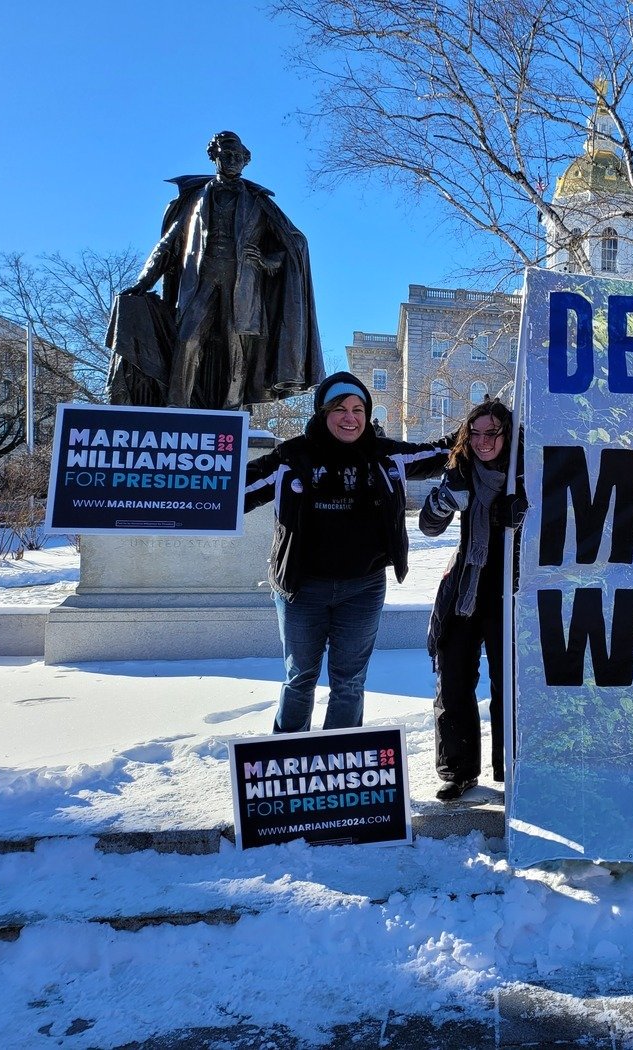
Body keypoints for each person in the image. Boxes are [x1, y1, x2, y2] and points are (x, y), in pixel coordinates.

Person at [244, 371, 449, 734]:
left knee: (349, 681)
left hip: (363, 589)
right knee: (300, 678)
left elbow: (445, 452)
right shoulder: (291, 457)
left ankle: (339, 769)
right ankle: (288, 762)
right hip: (301, 589)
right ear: (322, 413)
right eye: (339, 408)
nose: (350, 417)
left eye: (358, 408)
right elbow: (225, 491)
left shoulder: (386, 456)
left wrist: (495, 426)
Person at [108, 130, 323, 410]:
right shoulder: (194, 200)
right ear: (214, 156)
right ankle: (176, 408)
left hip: (243, 287)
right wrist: (144, 281)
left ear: (245, 161)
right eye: (226, 155)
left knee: (237, 349)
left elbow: (295, 243)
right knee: (187, 339)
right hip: (201, 280)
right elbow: (169, 244)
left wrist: (267, 261)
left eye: (238, 157)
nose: (232, 160)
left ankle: (232, 413)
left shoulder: (259, 202)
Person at [419, 398, 528, 801]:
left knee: (509, 683)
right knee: (453, 678)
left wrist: (525, 513)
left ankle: (512, 767)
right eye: (476, 433)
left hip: (510, 589)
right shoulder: (460, 469)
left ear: (507, 434)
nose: (483, 441)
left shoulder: (525, 471)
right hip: (465, 588)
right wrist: (441, 501)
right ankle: (458, 770)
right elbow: (429, 528)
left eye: (492, 433)